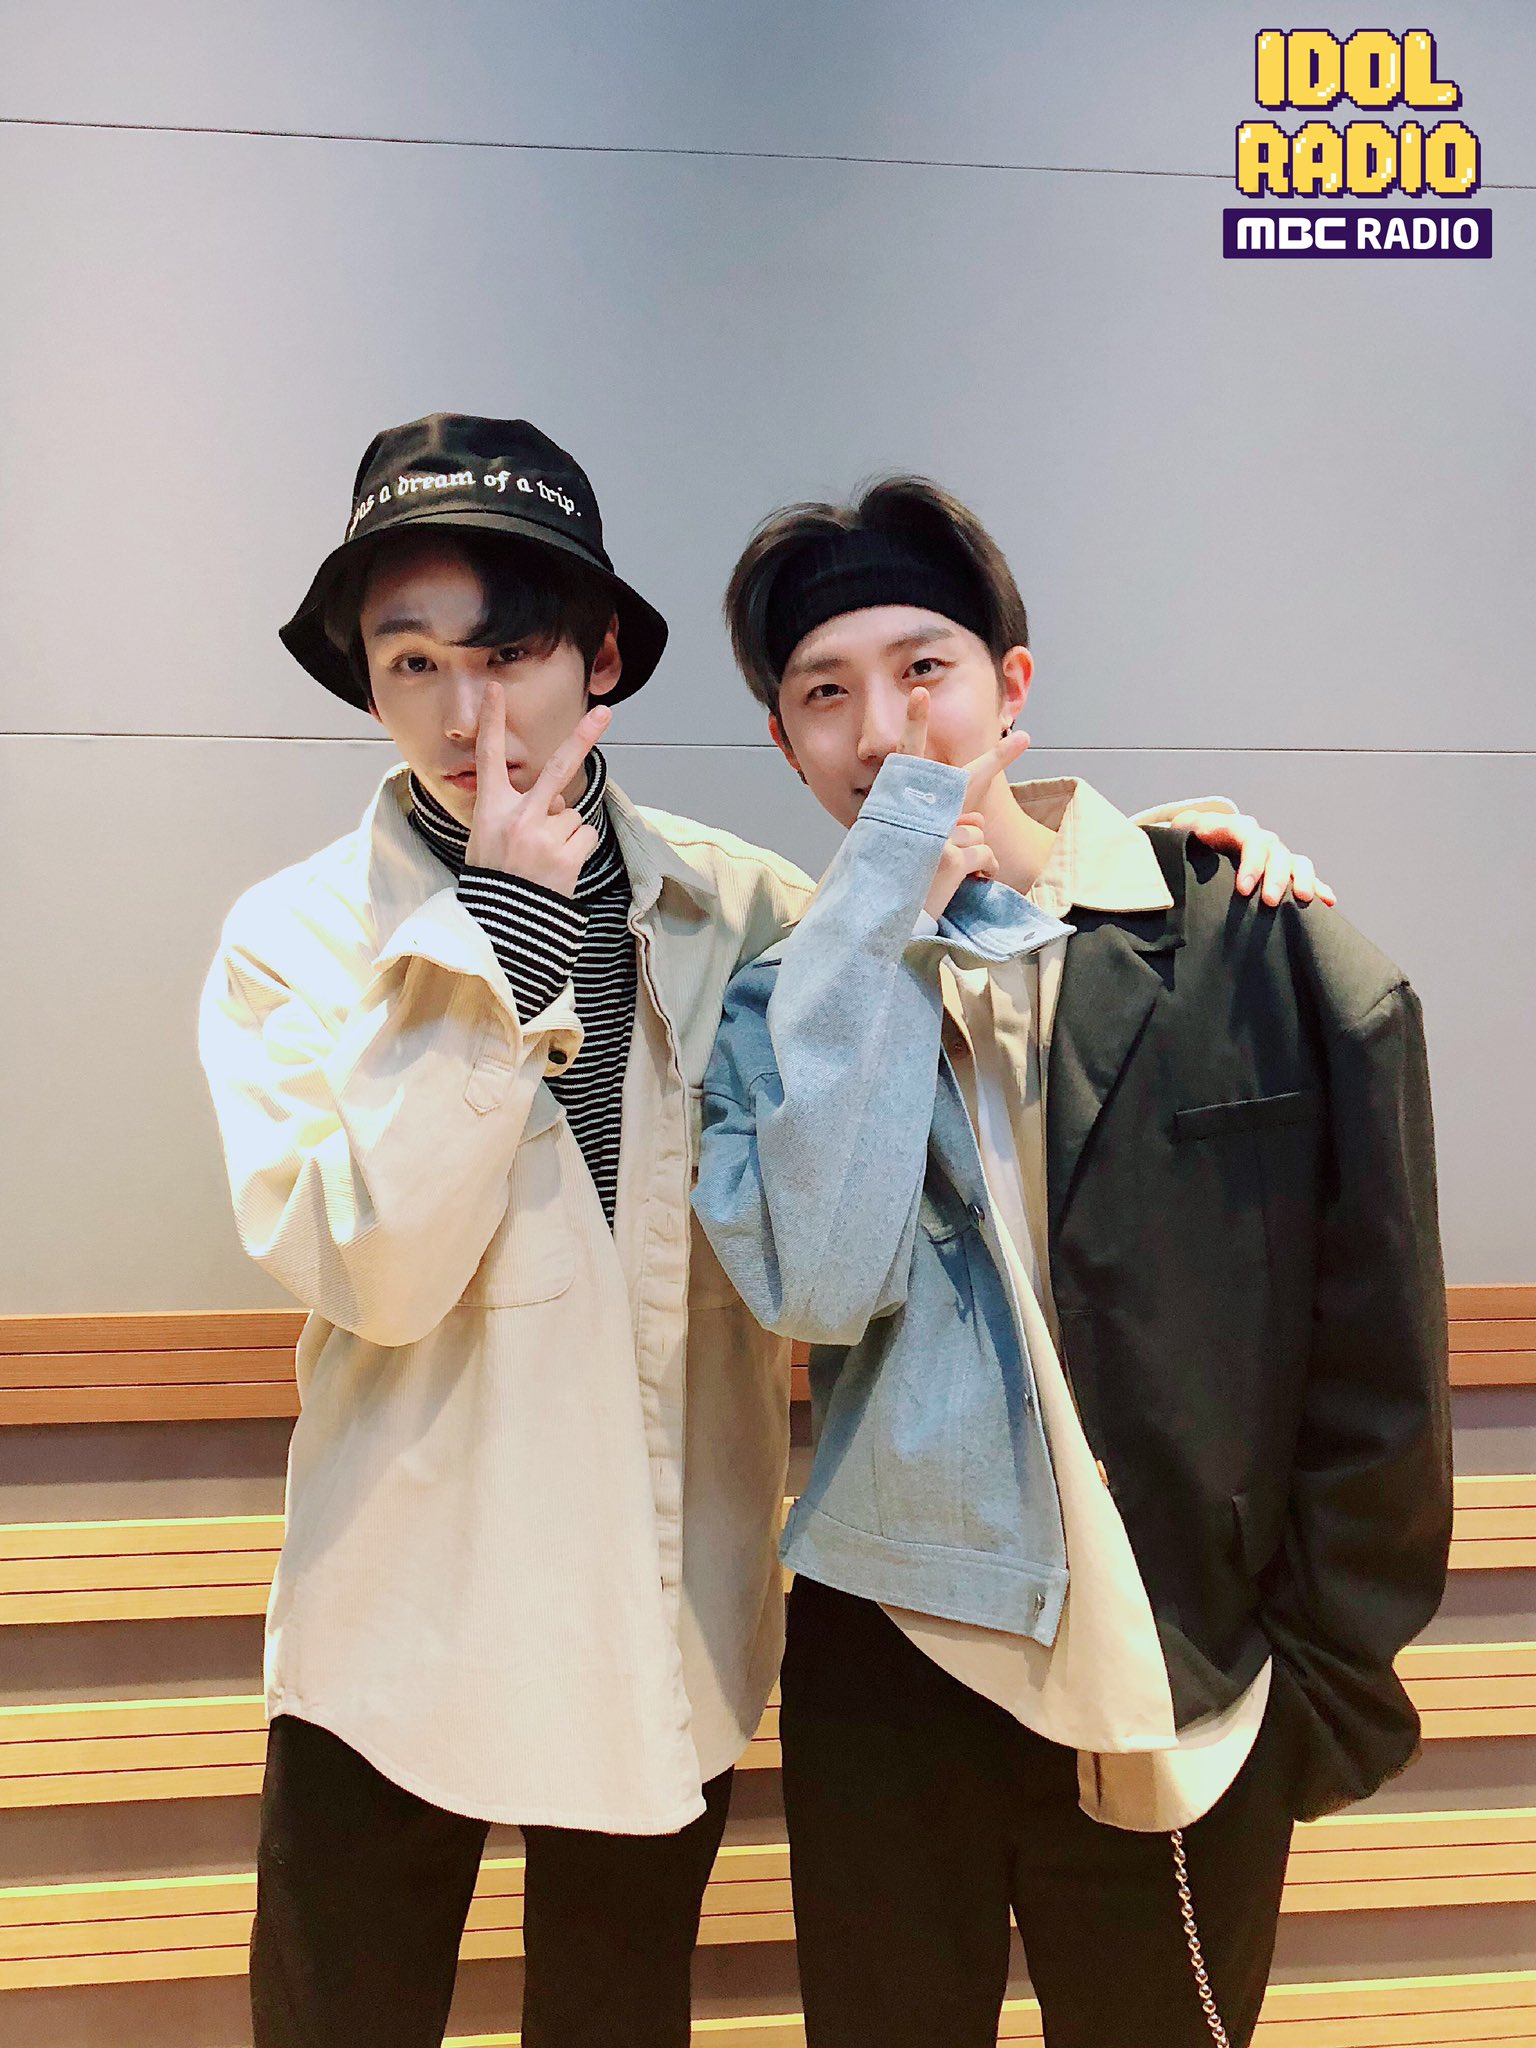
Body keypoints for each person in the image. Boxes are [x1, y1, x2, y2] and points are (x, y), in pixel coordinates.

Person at [200, 416, 1319, 2048]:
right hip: (399, 1624)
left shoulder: (746, 911)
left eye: (508, 655)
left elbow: (973, 928)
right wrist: (493, 941)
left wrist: (1184, 860)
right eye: (413, 662)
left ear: (600, 660)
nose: (468, 714)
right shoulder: (298, 938)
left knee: (615, 2020)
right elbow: (375, 1274)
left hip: (663, 1619)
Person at [692, 476, 1452, 2048]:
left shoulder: (1249, 939)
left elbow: (1378, 1348)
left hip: (1183, 1649)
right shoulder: (783, 1001)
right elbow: (820, 1281)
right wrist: (886, 909)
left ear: (1011, 683)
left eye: (924, 669)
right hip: (892, 1650)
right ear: (785, 743)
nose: (882, 729)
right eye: (824, 695)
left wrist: (1320, 1678)